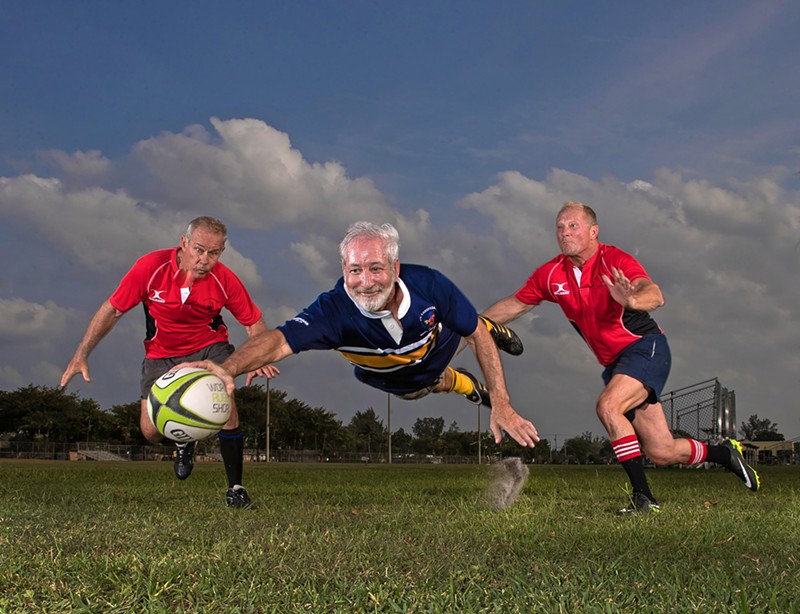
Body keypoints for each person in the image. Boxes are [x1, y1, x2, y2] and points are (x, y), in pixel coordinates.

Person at [482, 201, 760, 514]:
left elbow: (654, 294)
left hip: (646, 348)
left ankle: (644, 499)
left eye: (573, 226)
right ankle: (724, 455)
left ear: (593, 231)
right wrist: (472, 326)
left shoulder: (614, 259)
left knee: (608, 406)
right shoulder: (551, 274)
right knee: (662, 451)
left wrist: (631, 299)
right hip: (617, 364)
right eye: (559, 227)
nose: (564, 232)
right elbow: (514, 305)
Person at [184, 221, 540, 449]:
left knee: (471, 327)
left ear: (395, 267)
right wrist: (228, 368)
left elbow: (473, 334)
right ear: (343, 269)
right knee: (417, 389)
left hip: (438, 343)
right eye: (355, 270)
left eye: (375, 268)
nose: (365, 282)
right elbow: (277, 340)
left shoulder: (430, 285)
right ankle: (468, 387)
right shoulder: (333, 312)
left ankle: (493, 327)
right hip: (392, 374)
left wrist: (504, 401)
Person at [60, 216, 277, 508]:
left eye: (213, 253)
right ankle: (183, 440)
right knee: (150, 432)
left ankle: (235, 488)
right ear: (184, 243)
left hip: (209, 349)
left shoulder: (224, 279)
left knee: (226, 405)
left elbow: (254, 322)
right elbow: (113, 310)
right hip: (161, 354)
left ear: (221, 252)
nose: (204, 259)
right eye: (199, 250)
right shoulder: (150, 268)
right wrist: (81, 352)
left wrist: (258, 355)